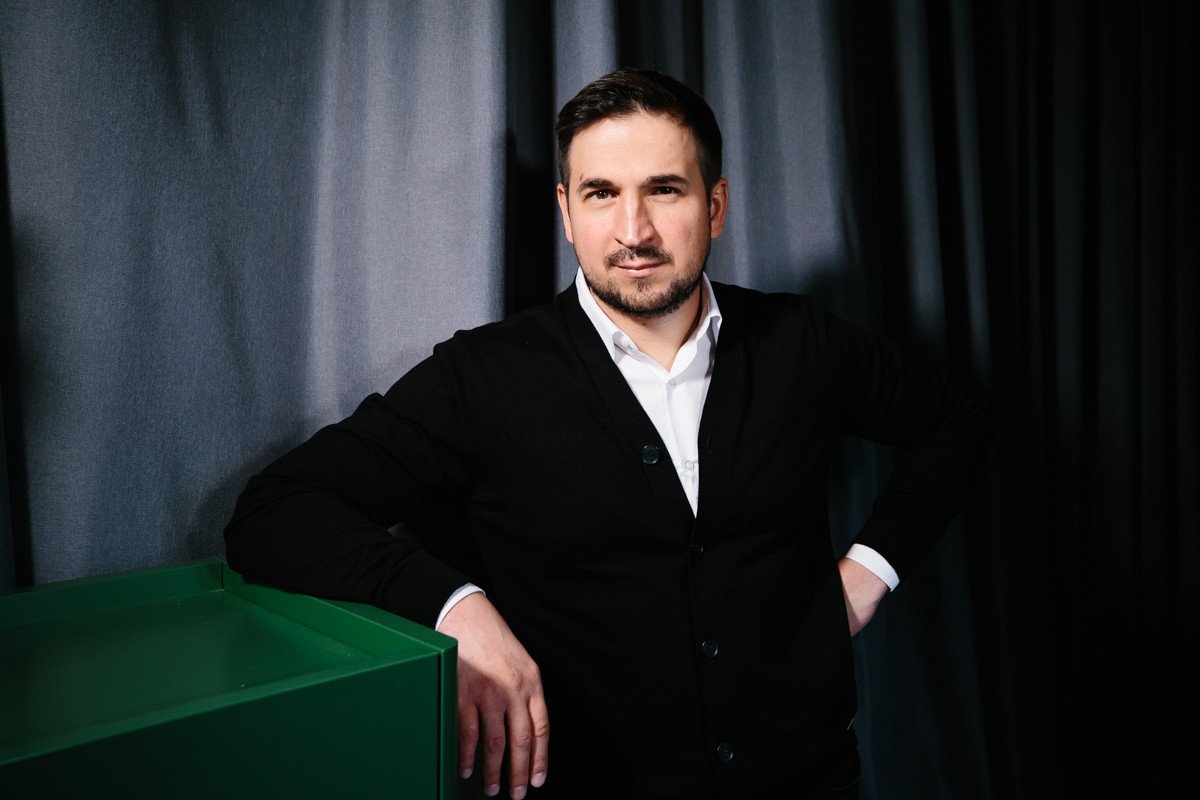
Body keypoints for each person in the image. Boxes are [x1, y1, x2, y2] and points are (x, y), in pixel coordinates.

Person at [224, 67, 994, 800]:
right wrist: (453, 606)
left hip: (810, 780)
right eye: (602, 194)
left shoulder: (801, 343)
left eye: (664, 190)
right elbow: (275, 510)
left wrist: (865, 577)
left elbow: (960, 415)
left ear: (716, 206)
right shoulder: (483, 377)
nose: (634, 230)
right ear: (566, 212)